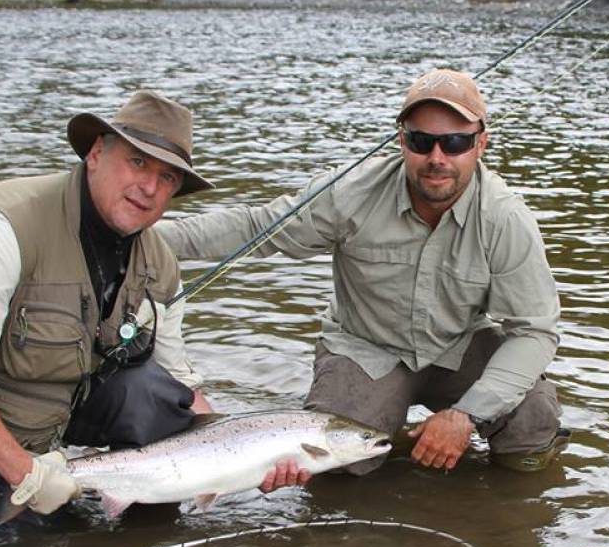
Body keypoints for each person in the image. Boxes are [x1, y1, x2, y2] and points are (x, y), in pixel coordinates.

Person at [155, 69, 569, 479]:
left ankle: (508, 505)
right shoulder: (350, 192)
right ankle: (387, 460)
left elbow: (535, 332)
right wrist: (143, 237)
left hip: (459, 346)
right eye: (421, 141)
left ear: (481, 143)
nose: (437, 158)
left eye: (455, 142)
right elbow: (254, 229)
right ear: (401, 140)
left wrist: (464, 415)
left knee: (531, 416)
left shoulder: (506, 219)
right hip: (365, 349)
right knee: (330, 460)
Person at [0, 90, 230, 536]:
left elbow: (178, 382)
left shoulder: (159, 264)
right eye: (138, 162)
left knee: (157, 395)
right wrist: (25, 475)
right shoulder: (3, 223)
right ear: (97, 153)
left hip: (67, 397)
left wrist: (247, 453)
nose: (150, 188)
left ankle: (139, 517)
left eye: (168, 179)